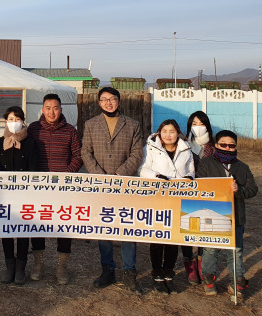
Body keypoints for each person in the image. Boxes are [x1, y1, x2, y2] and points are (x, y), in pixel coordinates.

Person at [81, 87, 144, 294]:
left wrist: (119, 175)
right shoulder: (91, 125)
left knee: (128, 228)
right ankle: (107, 270)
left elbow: (137, 154)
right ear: (99, 103)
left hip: (125, 185)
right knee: (104, 228)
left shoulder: (132, 125)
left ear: (119, 101)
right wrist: (100, 176)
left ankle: (129, 272)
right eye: (104, 99)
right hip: (101, 186)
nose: (109, 103)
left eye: (112, 99)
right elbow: (86, 152)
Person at [27, 94, 82, 284]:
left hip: (63, 187)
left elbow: (78, 155)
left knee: (64, 224)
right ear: (42, 109)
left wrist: (66, 174)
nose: (52, 112)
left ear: (61, 109)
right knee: (37, 223)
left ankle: (61, 266)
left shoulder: (70, 131)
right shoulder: (33, 129)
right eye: (48, 108)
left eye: (55, 108)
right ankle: (38, 264)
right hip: (38, 186)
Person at [197, 130, 258, 301]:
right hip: (212, 215)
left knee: (235, 251)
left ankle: (237, 281)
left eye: (231, 146)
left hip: (236, 217)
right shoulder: (206, 163)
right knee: (211, 249)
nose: (227, 148)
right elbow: (199, 185)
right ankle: (208, 278)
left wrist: (239, 190)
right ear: (216, 145)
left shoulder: (242, 167)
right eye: (223, 145)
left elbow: (253, 189)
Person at [138, 119, 194, 294]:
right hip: (157, 198)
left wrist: (189, 178)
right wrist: (156, 176)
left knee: (173, 238)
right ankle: (157, 274)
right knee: (158, 237)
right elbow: (142, 169)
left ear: (178, 133)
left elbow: (191, 170)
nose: (168, 135)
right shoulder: (151, 147)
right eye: (165, 131)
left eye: (172, 131)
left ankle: (169, 274)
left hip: (178, 198)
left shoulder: (186, 149)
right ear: (159, 133)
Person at [0, 106, 38, 285]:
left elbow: (34, 169)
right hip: (4, 194)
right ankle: (9, 266)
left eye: (18, 119)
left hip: (23, 194)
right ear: (6, 121)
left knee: (22, 230)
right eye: (11, 119)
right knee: (6, 230)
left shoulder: (31, 143)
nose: (14, 123)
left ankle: (21, 267)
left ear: (23, 121)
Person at [182, 110, 215, 285]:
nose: (198, 127)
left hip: (207, 194)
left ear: (207, 125)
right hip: (187, 194)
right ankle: (189, 264)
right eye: (194, 124)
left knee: (204, 229)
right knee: (186, 227)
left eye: (201, 124)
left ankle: (202, 262)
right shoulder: (184, 144)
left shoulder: (214, 146)